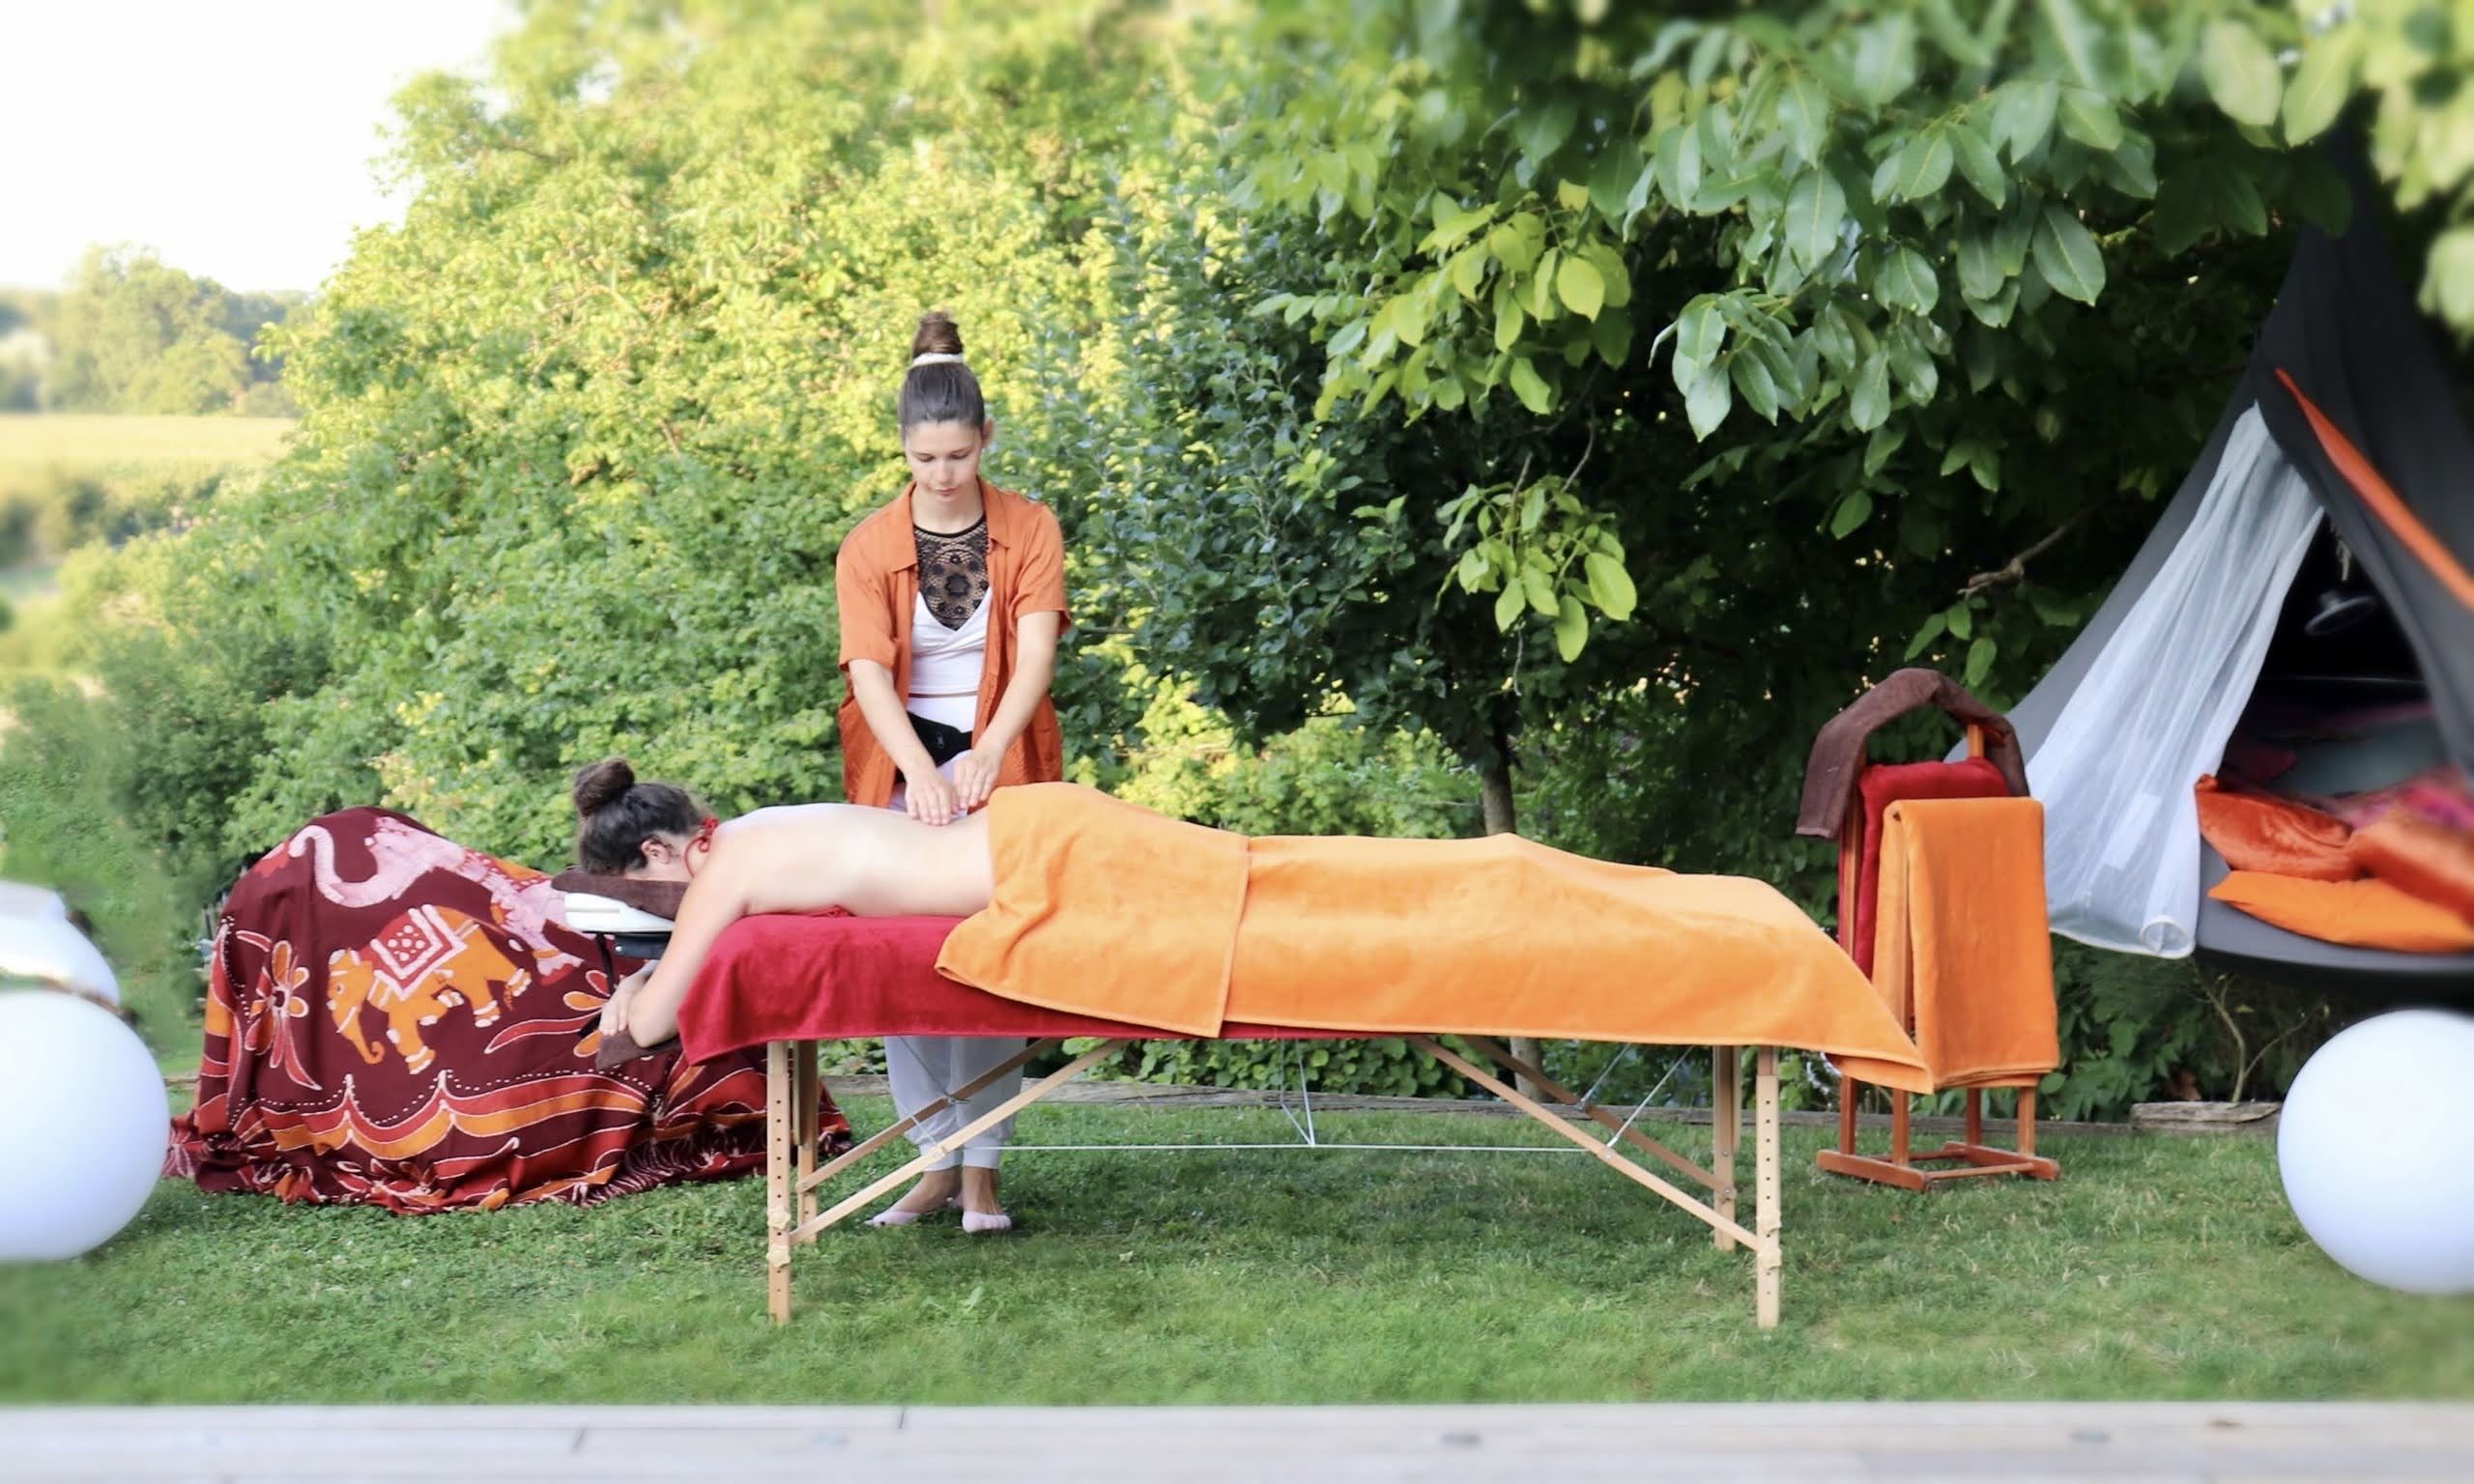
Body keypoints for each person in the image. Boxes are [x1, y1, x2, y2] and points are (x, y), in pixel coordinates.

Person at [839, 309, 1074, 1230]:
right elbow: (868, 673)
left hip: (998, 750)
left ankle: (983, 1169)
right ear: (903, 447)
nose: (942, 474)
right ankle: (932, 1159)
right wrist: (920, 772)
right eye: (924, 458)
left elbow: (1036, 658)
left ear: (987, 439)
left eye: (959, 456)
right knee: (904, 955)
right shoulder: (868, 545)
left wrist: (986, 753)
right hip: (898, 759)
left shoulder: (1032, 527)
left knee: (989, 951)